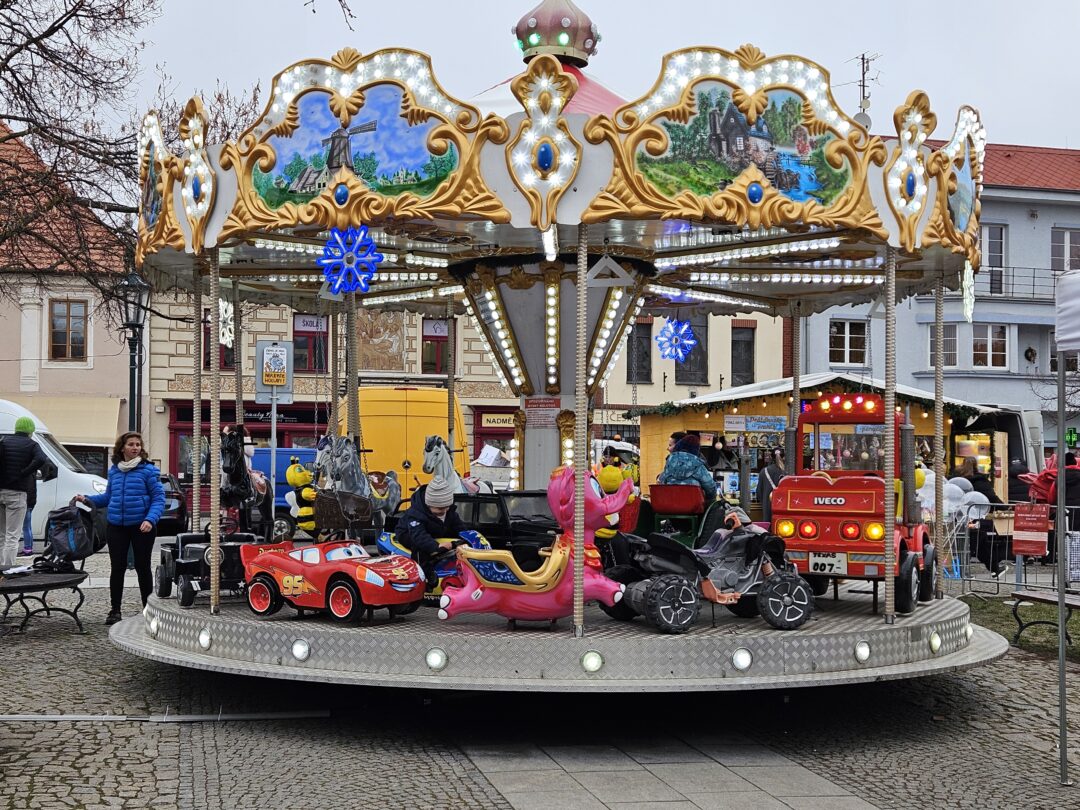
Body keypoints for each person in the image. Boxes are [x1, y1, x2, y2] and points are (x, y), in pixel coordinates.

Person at [77, 432, 165, 625]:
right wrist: (87, 499)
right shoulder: (115, 471)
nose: (135, 448)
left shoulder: (148, 470)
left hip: (142, 526)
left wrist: (150, 519)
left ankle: (148, 609)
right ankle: (115, 610)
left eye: (138, 445)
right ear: (122, 447)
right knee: (117, 568)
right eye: (131, 444)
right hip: (117, 526)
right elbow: (109, 497)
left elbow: (159, 499)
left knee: (143, 567)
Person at [396, 475, 465, 584]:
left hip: (435, 530)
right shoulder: (416, 514)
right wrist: (436, 546)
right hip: (409, 532)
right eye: (440, 508)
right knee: (419, 547)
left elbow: (459, 526)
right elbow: (419, 535)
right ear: (429, 505)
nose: (444, 511)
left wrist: (465, 537)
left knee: (455, 537)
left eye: (447, 507)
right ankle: (425, 575)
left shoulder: (449, 511)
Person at [0, 417, 50, 568]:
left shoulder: (4, 441)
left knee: (1, 535)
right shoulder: (32, 444)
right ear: (30, 431)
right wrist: (25, 472)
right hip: (17, 493)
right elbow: (41, 459)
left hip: (0, 490)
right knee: (12, 535)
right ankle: (7, 569)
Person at [659, 433, 717, 503]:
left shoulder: (670, 462)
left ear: (679, 446)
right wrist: (710, 499)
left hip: (671, 503)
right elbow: (710, 487)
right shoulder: (698, 464)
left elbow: (661, 482)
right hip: (694, 505)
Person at [758, 447, 786, 524]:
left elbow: (759, 493)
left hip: (767, 507)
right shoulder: (786, 472)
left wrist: (764, 502)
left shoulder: (764, 471)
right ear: (784, 457)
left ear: (771, 457)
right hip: (783, 507)